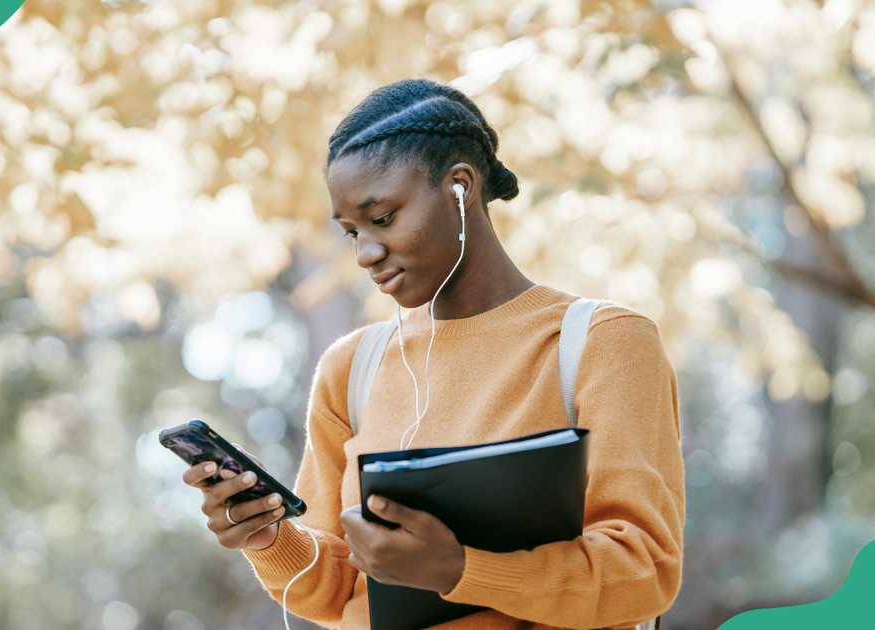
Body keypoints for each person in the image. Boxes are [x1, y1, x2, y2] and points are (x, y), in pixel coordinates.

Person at [180, 78, 685, 629]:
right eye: (351, 233)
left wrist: (458, 569)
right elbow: (331, 590)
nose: (366, 253)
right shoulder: (352, 369)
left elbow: (645, 570)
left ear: (459, 187)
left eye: (381, 218)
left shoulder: (601, 343)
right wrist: (268, 536)